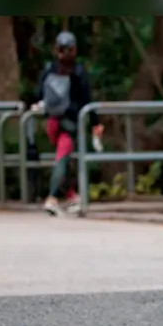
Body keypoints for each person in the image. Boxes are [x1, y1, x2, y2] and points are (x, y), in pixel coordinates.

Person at [31, 31, 103, 216]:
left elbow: (39, 95)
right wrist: (96, 123)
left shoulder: (49, 69)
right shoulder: (78, 71)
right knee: (62, 158)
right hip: (69, 122)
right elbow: (87, 100)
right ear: (75, 50)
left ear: (56, 49)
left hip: (51, 123)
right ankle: (52, 198)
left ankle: (71, 196)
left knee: (63, 158)